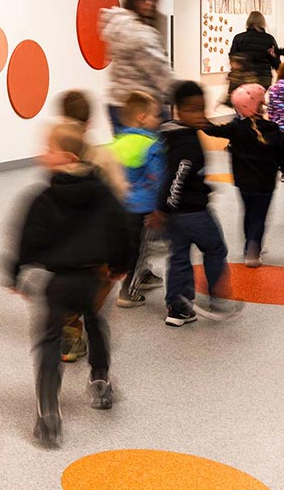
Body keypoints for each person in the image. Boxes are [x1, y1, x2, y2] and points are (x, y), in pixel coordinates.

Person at [5, 123, 131, 449]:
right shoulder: (103, 192)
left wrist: (16, 273)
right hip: (94, 279)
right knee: (96, 324)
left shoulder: (43, 197)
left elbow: (26, 238)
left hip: (57, 283)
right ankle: (100, 381)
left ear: (67, 156)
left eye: (48, 149)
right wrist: (120, 266)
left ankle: (48, 412)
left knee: (48, 341)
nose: (41, 154)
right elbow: (123, 229)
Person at [153, 81, 241, 325]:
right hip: (193, 211)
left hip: (174, 214)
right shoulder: (186, 142)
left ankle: (178, 308)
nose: (199, 115)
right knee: (215, 249)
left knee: (178, 256)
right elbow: (179, 177)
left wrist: (164, 208)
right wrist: (166, 207)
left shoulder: (170, 134)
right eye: (192, 110)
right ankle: (219, 299)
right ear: (178, 110)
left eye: (202, 109)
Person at [56, 90, 128, 364]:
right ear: (90, 121)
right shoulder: (104, 156)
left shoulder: (57, 155)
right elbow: (119, 193)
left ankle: (70, 330)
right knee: (102, 279)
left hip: (69, 237)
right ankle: (85, 318)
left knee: (70, 281)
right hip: (99, 235)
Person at [203, 84, 284, 268]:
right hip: (266, 182)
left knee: (248, 212)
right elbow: (282, 153)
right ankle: (253, 250)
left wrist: (199, 118)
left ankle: (250, 243)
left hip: (244, 181)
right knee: (260, 216)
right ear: (260, 105)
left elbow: (213, 130)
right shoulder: (273, 128)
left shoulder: (236, 127)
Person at [109, 90, 166, 308]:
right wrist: (162, 207)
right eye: (155, 115)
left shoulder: (117, 142)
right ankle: (128, 292)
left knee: (133, 246)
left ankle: (143, 274)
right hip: (144, 207)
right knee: (140, 249)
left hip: (120, 206)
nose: (158, 120)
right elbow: (157, 179)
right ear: (142, 117)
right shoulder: (151, 145)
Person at [100, 0, 176, 132]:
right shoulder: (138, 34)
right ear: (132, 1)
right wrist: (182, 93)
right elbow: (159, 72)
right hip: (142, 107)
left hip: (118, 102)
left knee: (126, 152)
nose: (149, 4)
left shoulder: (118, 26)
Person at [228, 10, 280, 93]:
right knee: (257, 101)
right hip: (263, 77)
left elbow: (233, 57)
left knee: (242, 102)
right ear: (263, 23)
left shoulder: (239, 38)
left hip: (243, 77)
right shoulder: (269, 39)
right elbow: (275, 61)